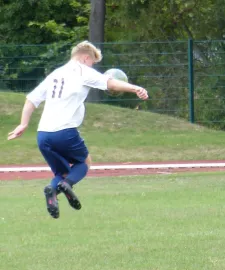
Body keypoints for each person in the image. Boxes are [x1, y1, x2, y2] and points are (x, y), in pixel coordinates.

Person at [7, 41, 149, 219]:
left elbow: (31, 100)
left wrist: (23, 124)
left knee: (62, 173)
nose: (93, 67)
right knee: (84, 163)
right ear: (85, 58)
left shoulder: (55, 74)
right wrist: (136, 88)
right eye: (92, 63)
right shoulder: (83, 71)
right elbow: (111, 84)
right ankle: (66, 186)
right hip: (65, 131)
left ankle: (52, 190)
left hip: (42, 135)